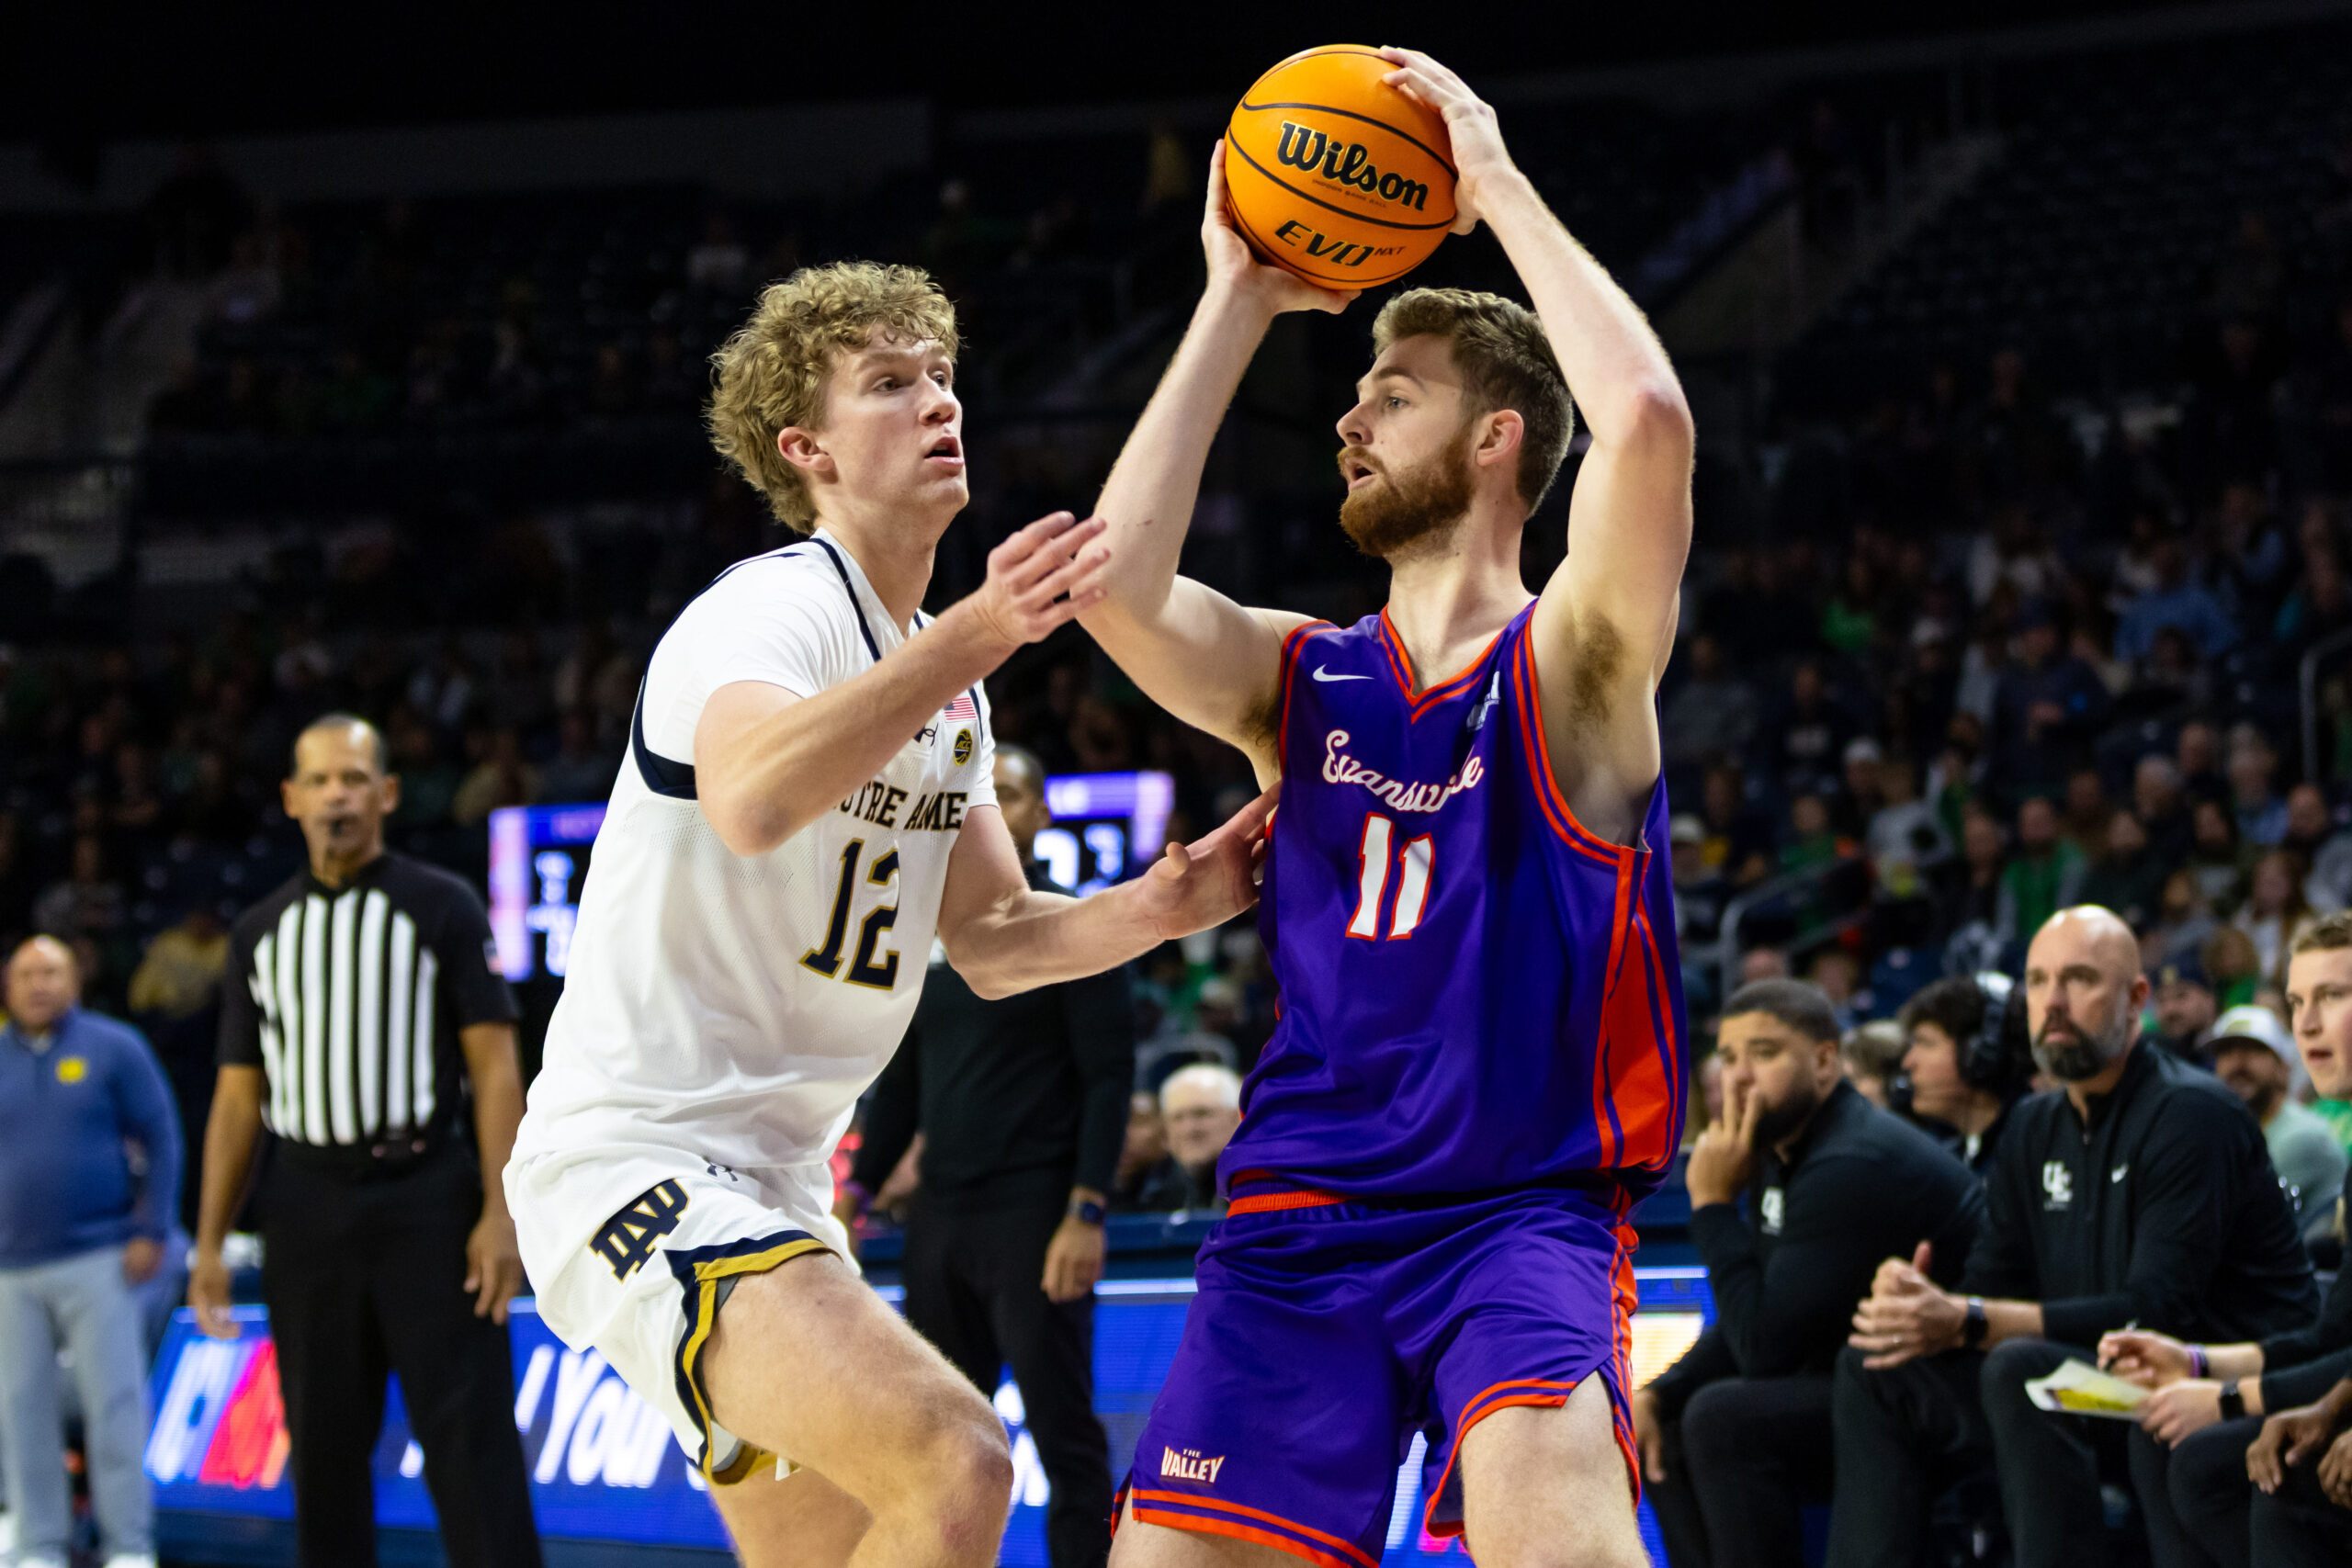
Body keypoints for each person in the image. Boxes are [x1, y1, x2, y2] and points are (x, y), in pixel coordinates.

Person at [503, 261, 1271, 1568]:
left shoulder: (947, 693)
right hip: (639, 1158)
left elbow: (994, 938)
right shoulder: (770, 606)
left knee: (859, 1534)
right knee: (960, 1457)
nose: (938, 403)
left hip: (786, 1178)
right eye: (891, 383)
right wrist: (973, 631)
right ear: (807, 450)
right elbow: (749, 795)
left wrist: (1163, 903)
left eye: (942, 376)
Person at [1080, 50, 1690, 1566]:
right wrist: (1233, 295)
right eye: (1355, 393)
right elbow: (1115, 588)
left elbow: (1652, 424)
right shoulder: (1302, 674)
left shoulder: (1572, 666)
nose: (1350, 420)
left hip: (1521, 1217)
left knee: (1568, 1535)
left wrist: (1487, 184)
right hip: (1297, 1217)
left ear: (1496, 444)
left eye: (1393, 394)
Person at [1833, 906, 2319, 1568]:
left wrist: (1972, 1319)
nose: (2053, 1002)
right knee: (1875, 1364)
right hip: (2091, 1376)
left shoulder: (2191, 1113)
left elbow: (2156, 1309)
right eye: (2037, 981)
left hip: (2194, 1371)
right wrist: (1926, 1305)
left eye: (2080, 979)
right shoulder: (2033, 1124)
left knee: (2020, 1367)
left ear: (2136, 998)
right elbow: (1991, 1283)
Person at [189, 716, 542, 1568]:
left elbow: (497, 1067)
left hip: (427, 1195)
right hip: (306, 1204)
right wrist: (206, 1241)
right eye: (318, 780)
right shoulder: (259, 932)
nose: (335, 795)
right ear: (290, 799)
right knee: (322, 1453)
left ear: (385, 793)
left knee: (472, 1443)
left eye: (352, 779)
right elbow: (239, 1097)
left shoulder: (442, 904)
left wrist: (503, 1211)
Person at [836, 745, 1135, 1568]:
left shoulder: (1071, 922)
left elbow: (1109, 1078)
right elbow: (900, 1090)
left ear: (1038, 813)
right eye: (985, 794)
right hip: (941, 1219)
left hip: (1036, 1215)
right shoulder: (925, 933)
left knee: (1063, 1432)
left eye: (1010, 792)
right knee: (936, 1442)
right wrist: (855, 1190)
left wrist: (1086, 1208)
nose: (996, 805)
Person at [1637, 981, 1980, 1568]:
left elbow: (1763, 1347)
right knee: (1665, 1420)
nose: (1738, 1075)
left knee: (1723, 1418)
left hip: (1942, 1392)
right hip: (1859, 1378)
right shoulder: (1784, 1146)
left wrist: (1713, 1207)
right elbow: (1767, 1313)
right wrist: (1656, 1391)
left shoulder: (1849, 1161)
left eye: (1765, 1053)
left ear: (1825, 1062)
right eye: (1727, 1055)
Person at [2099, 914, 2352, 1566]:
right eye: (2298, 1001)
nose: (2309, 1022)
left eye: (2333, 995)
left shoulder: (2300, 1136)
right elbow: (2335, 1341)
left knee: (2246, 1471)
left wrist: (2226, 1397)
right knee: (2166, 1436)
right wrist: (2194, 1362)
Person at [0, 935, 179, 1568]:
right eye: (26, 973)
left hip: (98, 1254)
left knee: (115, 1403)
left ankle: (128, 1544)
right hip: (12, 1265)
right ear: (8, 984)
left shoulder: (113, 1046)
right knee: (20, 1411)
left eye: (51, 971)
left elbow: (161, 1133)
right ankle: (41, 1543)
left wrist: (152, 1227)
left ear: (74, 979)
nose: (38, 984)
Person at [2207, 1003, 2348, 1231]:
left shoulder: (2302, 1137)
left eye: (2253, 1050)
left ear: (2283, 1068)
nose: (2237, 1063)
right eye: (2227, 1051)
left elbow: (2240, 1225)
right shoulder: (2231, 1132)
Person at [1898, 974, 2030, 1176]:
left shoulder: (2034, 1148)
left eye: (1926, 1043)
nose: (1908, 1063)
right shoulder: (1949, 1161)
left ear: (1980, 1053)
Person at [1129, 1064, 1242, 1214]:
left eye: (1202, 1114)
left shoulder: (1264, 1187)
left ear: (1236, 1119)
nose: (1189, 1129)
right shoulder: (1149, 1196)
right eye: (1177, 1118)